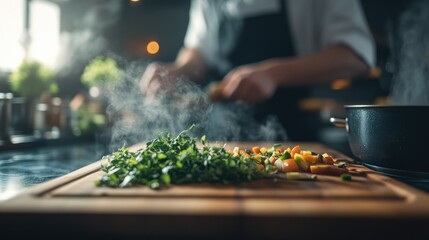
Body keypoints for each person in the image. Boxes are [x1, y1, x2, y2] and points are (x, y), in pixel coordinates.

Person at [140, 0, 375, 141]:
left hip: (293, 138)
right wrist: (177, 71)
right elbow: (199, 51)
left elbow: (356, 57)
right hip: (220, 137)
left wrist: (273, 73)